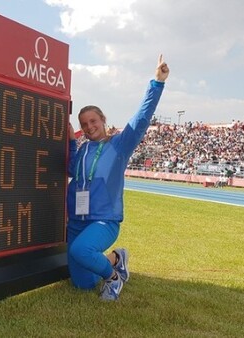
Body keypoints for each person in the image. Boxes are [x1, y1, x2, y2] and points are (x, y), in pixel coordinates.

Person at [66, 55, 169, 300]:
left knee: (82, 250)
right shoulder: (82, 149)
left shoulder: (119, 145)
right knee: (82, 283)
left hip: (103, 220)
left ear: (103, 120)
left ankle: (113, 278)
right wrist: (71, 141)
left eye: (93, 121)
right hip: (77, 221)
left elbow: (141, 119)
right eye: (84, 123)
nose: (89, 126)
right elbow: (71, 170)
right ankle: (116, 258)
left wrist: (157, 83)